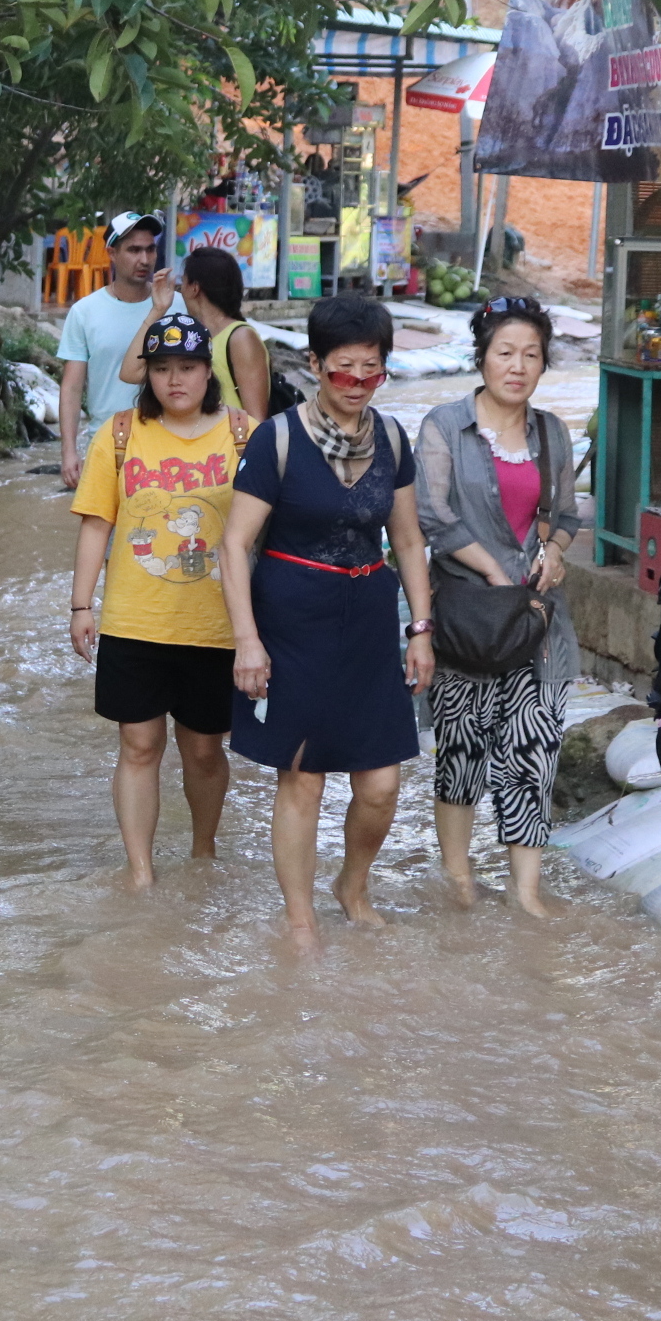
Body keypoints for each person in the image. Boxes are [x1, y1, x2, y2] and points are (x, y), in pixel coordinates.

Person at [218, 296, 435, 950]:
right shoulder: (276, 440)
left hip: (368, 621)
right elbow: (234, 545)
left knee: (380, 783)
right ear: (314, 364)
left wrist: (420, 629)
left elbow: (406, 539)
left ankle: (352, 883)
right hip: (292, 621)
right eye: (345, 371)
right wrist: (247, 641)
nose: (359, 386)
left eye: (373, 372)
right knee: (303, 776)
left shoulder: (392, 440)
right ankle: (300, 919)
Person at [68, 312, 252, 886]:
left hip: (216, 624)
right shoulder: (120, 434)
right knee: (139, 743)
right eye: (163, 368)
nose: (176, 380)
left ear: (208, 372)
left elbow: (266, 529)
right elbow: (98, 523)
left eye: (189, 367)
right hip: (134, 619)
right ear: (146, 374)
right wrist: (81, 606)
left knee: (202, 750)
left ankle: (203, 850)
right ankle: (141, 871)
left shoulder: (245, 434)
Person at [415, 299, 581, 916]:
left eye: (531, 355)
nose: (517, 366)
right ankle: (459, 882)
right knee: (461, 754)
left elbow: (566, 514)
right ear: (481, 356)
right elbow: (430, 514)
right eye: (505, 353)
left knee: (531, 754)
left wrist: (558, 552)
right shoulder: (443, 426)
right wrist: (494, 569)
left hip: (537, 623)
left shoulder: (551, 433)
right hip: (467, 618)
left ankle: (526, 893)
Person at [57, 211, 164, 488]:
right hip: (107, 442)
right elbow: (71, 388)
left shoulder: (175, 305)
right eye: (134, 250)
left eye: (150, 249)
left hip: (168, 441)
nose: (144, 259)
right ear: (112, 253)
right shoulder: (84, 312)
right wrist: (69, 451)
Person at [109, 245, 274, 421]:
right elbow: (129, 373)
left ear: (194, 288)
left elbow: (256, 419)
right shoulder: (187, 335)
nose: (180, 290)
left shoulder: (241, 338)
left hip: (229, 444)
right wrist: (158, 310)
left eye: (182, 283)